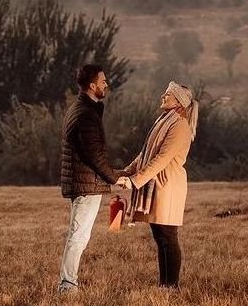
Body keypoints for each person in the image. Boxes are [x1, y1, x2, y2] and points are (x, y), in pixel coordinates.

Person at [118, 81, 199, 289]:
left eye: (167, 95)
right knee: (160, 237)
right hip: (157, 186)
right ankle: (164, 285)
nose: (163, 97)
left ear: (178, 102)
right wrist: (126, 171)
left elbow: (162, 159)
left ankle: (171, 286)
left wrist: (135, 181)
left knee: (168, 237)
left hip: (167, 186)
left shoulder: (180, 125)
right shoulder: (163, 121)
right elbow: (145, 154)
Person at [57, 63, 120, 293]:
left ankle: (68, 283)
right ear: (93, 85)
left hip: (85, 182)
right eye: (103, 81)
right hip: (86, 185)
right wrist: (114, 178)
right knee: (78, 236)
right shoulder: (85, 115)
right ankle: (67, 285)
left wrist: (114, 175)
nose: (106, 85)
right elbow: (94, 155)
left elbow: (93, 153)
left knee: (80, 235)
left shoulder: (83, 109)